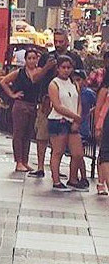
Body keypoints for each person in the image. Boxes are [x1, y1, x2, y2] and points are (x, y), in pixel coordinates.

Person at [29, 30, 83, 178]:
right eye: (56, 41)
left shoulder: (74, 57)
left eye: (61, 41)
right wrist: (47, 67)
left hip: (67, 102)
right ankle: (40, 166)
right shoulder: (47, 56)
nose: (58, 45)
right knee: (42, 134)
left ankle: (57, 169)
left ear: (67, 41)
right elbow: (35, 78)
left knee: (61, 141)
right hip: (47, 101)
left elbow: (80, 80)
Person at [0, 49, 46, 172]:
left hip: (33, 104)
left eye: (34, 58)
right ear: (25, 60)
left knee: (28, 134)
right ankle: (18, 161)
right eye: (29, 58)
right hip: (21, 105)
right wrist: (12, 94)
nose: (32, 61)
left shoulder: (39, 72)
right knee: (18, 133)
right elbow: (3, 82)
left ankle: (25, 160)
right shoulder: (19, 72)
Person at [47, 56, 86, 192]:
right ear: (58, 69)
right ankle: (56, 180)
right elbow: (57, 106)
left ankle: (73, 178)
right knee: (58, 152)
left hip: (72, 121)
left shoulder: (74, 83)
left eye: (68, 67)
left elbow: (79, 102)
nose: (66, 70)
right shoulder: (54, 84)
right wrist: (74, 116)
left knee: (78, 153)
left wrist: (77, 118)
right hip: (58, 120)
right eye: (63, 67)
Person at [73, 69, 95, 189]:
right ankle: (76, 175)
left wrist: (90, 113)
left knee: (79, 153)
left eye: (79, 80)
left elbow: (97, 103)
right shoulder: (71, 91)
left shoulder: (88, 93)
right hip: (72, 125)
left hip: (83, 127)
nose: (76, 82)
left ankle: (83, 177)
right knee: (75, 154)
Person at [95, 74, 109, 196]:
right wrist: (98, 126)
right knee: (104, 154)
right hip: (105, 123)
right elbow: (100, 109)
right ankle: (101, 182)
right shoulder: (105, 90)